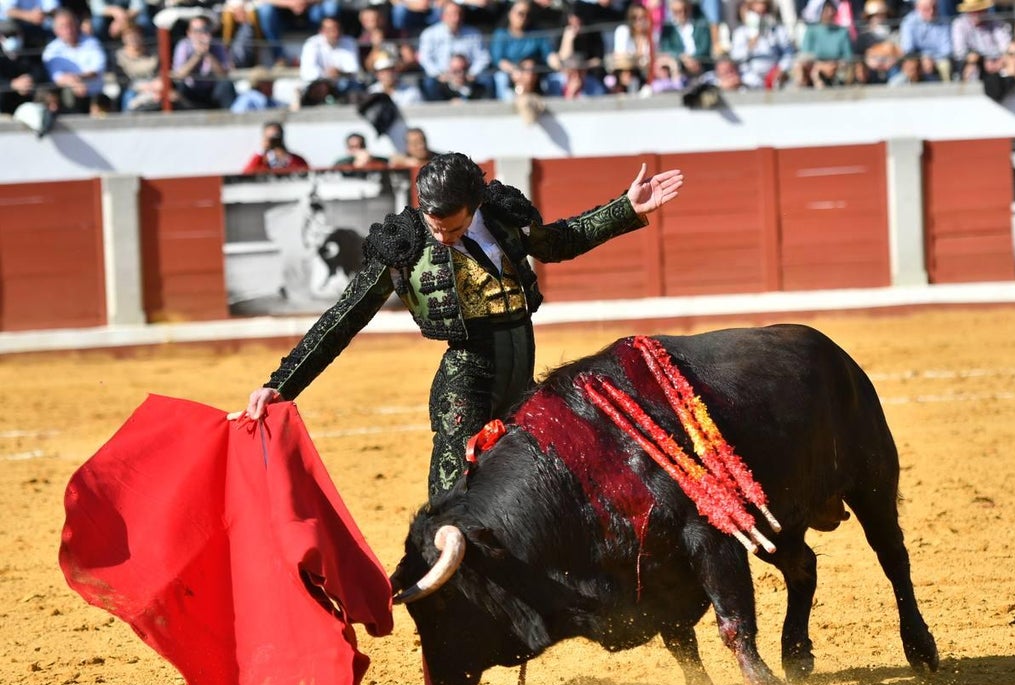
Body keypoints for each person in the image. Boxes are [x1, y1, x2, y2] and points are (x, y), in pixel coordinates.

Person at [239, 154, 685, 500]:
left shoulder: (503, 215)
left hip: (521, 363)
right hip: (468, 374)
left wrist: (624, 209)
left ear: (473, 207)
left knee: (537, 474)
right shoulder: (405, 242)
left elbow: (559, 243)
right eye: (435, 226)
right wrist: (282, 384)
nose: (440, 237)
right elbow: (344, 317)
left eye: (451, 228)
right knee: (456, 486)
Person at [417, 1, 491, 101]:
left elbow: (483, 57)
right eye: (452, 14)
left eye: (459, 14)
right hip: (442, 78)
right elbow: (424, 58)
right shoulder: (430, 34)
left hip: (468, 76)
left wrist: (472, 73)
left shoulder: (474, 34)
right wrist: (438, 74)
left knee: (487, 80)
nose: (456, 18)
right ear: (443, 16)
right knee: (429, 83)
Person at [41, 9, 106, 115]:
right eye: (63, 27)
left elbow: (97, 69)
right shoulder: (51, 50)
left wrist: (78, 79)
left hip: (95, 95)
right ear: (55, 30)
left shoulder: (92, 43)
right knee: (68, 92)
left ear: (77, 25)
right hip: (70, 96)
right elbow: (57, 77)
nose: (68, 30)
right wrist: (75, 83)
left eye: (70, 25)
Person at [490, 0, 555, 100]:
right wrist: (516, 71)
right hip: (510, 74)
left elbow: (549, 55)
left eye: (527, 14)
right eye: (520, 13)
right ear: (510, 13)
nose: (524, 17)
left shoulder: (537, 34)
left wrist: (560, 64)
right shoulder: (501, 35)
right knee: (501, 78)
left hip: (533, 76)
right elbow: (498, 59)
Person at [171, 14, 238, 110]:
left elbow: (223, 75)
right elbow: (179, 75)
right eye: (196, 31)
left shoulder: (217, 45)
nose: (200, 35)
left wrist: (208, 54)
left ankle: (232, 117)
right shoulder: (184, 46)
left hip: (212, 91)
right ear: (189, 33)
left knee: (226, 85)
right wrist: (198, 55)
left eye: (204, 30)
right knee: (179, 88)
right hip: (191, 91)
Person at [298, 15, 364, 106]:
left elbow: (354, 70)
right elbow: (308, 72)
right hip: (319, 84)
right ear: (321, 31)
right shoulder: (311, 44)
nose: (334, 33)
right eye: (329, 30)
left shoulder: (349, 42)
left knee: (352, 85)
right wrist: (327, 77)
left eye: (336, 29)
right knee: (317, 86)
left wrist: (339, 73)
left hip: (342, 84)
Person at [729, 0, 794, 89]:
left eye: (764, 7)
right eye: (756, 11)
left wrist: (781, 69)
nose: (761, 8)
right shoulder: (740, 32)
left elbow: (788, 53)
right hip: (749, 78)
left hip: (775, 75)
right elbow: (735, 57)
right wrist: (751, 44)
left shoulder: (778, 30)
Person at [256, 0, 341, 67]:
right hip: (281, 16)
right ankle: (280, 58)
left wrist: (304, 2)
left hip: (311, 11)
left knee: (330, 8)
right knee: (265, 11)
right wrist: (291, 3)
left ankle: (321, 56)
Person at [798, 0, 852, 86]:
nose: (830, 12)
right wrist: (821, 66)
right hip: (814, 72)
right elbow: (806, 55)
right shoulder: (811, 31)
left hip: (837, 71)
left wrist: (834, 66)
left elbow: (848, 57)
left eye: (832, 8)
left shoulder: (842, 32)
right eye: (826, 9)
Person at [899, 0, 954, 81]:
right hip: (917, 59)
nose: (931, 12)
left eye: (934, 8)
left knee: (945, 65)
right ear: (917, 8)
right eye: (926, 9)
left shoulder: (943, 21)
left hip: (938, 59)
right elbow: (907, 48)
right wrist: (923, 58)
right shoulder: (908, 22)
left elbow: (947, 50)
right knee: (910, 66)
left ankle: (948, 92)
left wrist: (931, 58)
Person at [659, 0, 713, 79]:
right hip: (678, 66)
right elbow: (666, 48)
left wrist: (693, 58)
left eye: (685, 10)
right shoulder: (668, 27)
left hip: (700, 65)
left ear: (689, 7)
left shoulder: (701, 22)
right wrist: (682, 57)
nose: (682, 14)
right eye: (677, 11)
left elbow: (705, 46)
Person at [241, 120, 311, 173]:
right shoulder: (260, 160)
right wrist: (262, 151)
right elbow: (246, 175)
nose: (274, 140)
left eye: (277, 136)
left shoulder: (297, 160)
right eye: (270, 137)